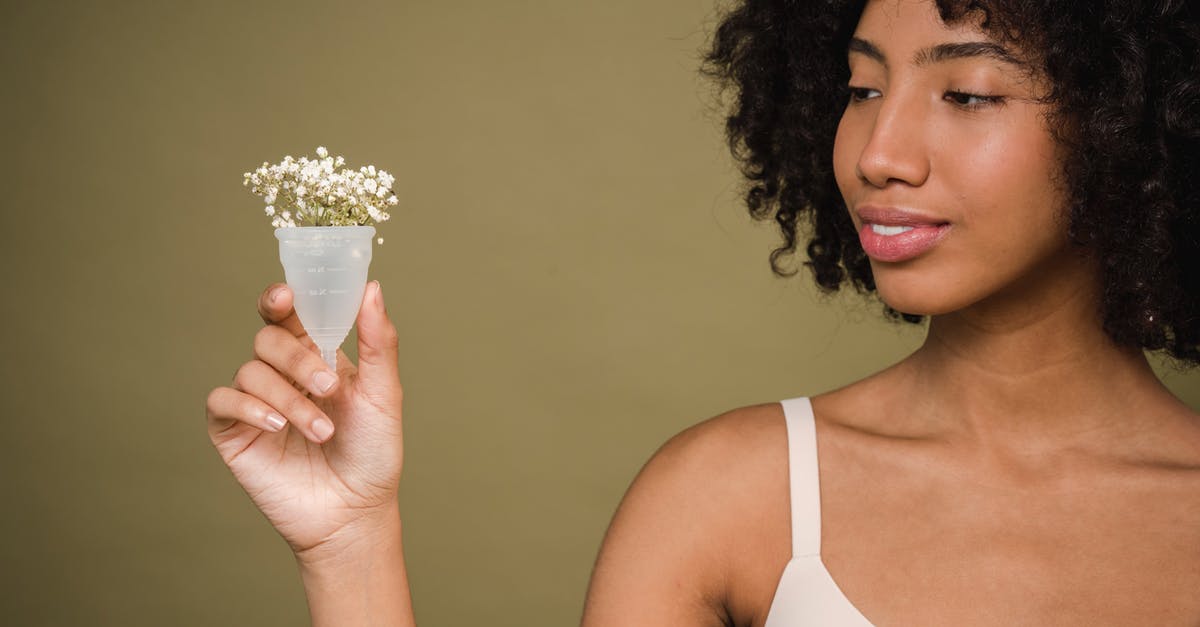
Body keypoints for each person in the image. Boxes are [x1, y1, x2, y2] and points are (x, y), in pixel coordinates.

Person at [205, 0, 1200, 624]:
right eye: (859, 88)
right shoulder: (732, 500)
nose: (878, 151)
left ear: (1137, 121)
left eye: (970, 94)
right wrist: (352, 543)